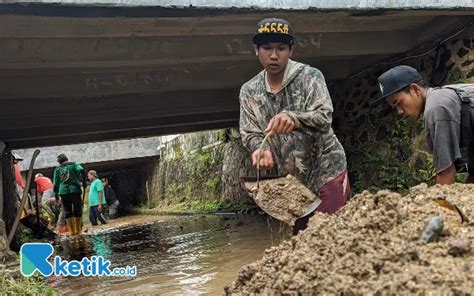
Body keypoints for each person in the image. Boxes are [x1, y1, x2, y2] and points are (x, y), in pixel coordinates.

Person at [239, 18, 351, 235]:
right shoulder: (248, 91)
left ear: (291, 50)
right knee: (302, 239)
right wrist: (258, 148)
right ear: (256, 50)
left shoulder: (310, 77)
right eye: (266, 48)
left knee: (332, 234)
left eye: (281, 48)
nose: (274, 55)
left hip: (326, 170)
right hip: (293, 184)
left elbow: (324, 117)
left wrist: (295, 119)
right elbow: (249, 132)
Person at [374, 65, 474, 185]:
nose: (399, 111)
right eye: (395, 108)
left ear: (415, 89)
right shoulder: (446, 94)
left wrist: (434, 203)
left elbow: (446, 173)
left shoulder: (436, 108)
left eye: (399, 103)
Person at [53, 154, 86, 235]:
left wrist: (56, 195)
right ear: (67, 159)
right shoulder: (74, 165)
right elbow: (82, 170)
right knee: (77, 209)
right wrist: (84, 181)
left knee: (67, 211)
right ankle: (78, 231)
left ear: (59, 162)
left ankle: (72, 232)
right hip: (75, 190)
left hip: (63, 192)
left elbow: (55, 184)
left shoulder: (57, 169)